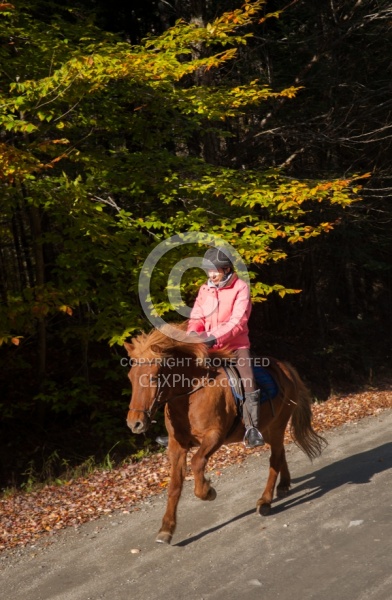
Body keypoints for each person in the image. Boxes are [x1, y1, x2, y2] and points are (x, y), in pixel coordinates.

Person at [156, 247, 264, 449]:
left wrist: (215, 337)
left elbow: (238, 321)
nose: (211, 275)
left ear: (227, 269)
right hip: (206, 345)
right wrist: (195, 334)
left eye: (215, 270)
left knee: (247, 379)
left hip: (235, 346)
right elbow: (196, 316)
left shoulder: (240, 288)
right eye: (208, 271)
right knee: (179, 373)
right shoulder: (205, 289)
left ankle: (252, 428)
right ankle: (175, 430)